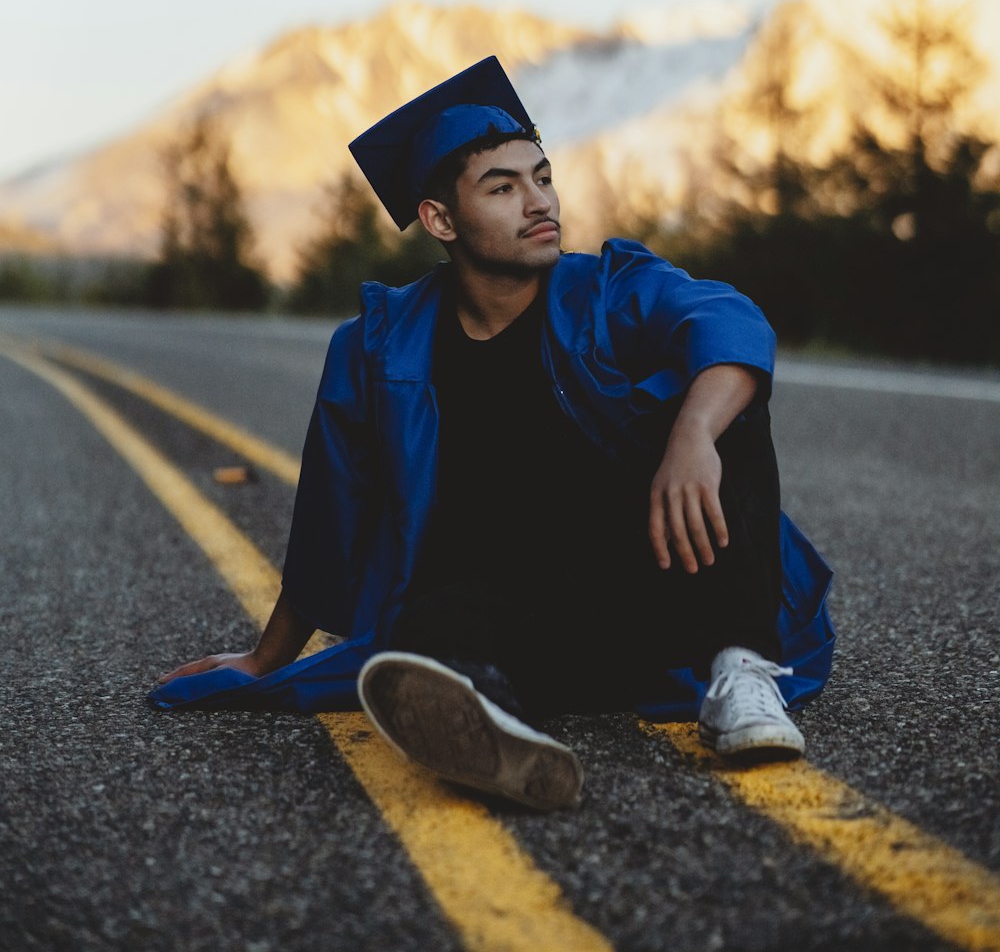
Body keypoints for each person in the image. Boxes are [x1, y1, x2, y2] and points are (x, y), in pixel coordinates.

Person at [152, 57, 835, 812]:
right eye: (503, 188)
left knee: (720, 392)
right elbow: (333, 507)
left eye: (541, 177)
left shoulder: (603, 291)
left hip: (659, 587)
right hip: (522, 613)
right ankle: (491, 726)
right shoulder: (381, 345)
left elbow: (732, 321)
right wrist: (266, 658)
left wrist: (692, 439)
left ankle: (741, 675)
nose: (539, 202)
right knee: (420, 624)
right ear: (441, 220)